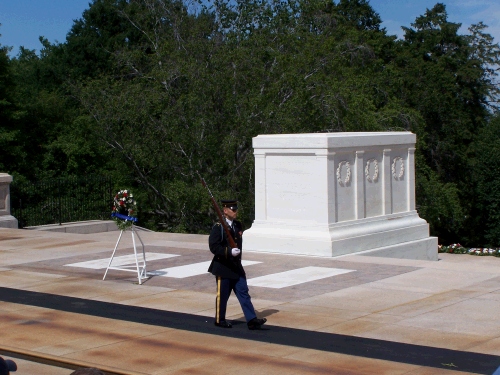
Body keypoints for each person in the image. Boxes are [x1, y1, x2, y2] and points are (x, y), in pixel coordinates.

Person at [208, 199, 267, 330]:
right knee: (223, 295)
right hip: (223, 267)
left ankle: (251, 320)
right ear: (225, 211)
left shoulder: (238, 225)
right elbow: (213, 247)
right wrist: (228, 251)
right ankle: (219, 320)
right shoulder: (219, 227)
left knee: (243, 292)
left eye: (236, 209)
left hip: (236, 266)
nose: (235, 211)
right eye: (232, 209)